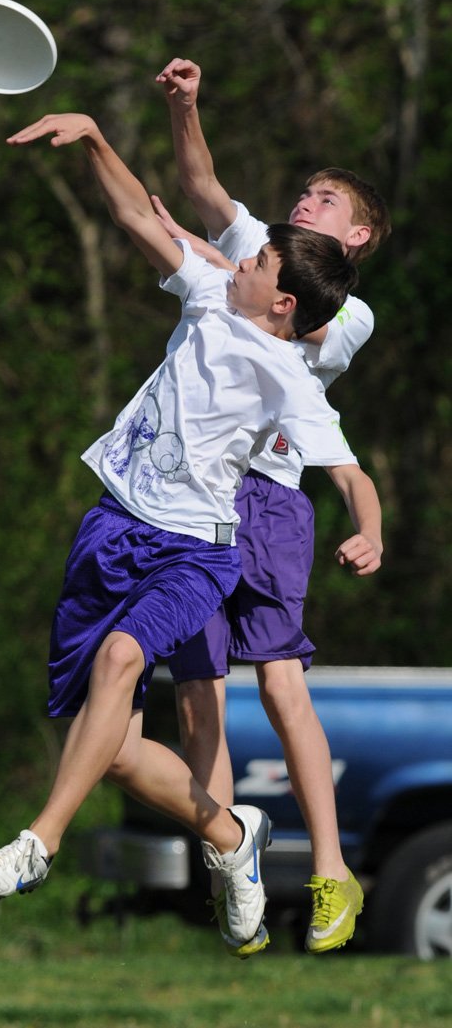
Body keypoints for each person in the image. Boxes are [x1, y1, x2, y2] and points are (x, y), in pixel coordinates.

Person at [0, 110, 368, 953]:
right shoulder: (217, 287)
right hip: (113, 526)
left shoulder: (296, 359)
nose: (244, 255)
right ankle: (230, 836)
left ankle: (40, 841)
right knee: (110, 746)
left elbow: (347, 463)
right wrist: (97, 137)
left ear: (284, 292)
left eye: (257, 259)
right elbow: (145, 213)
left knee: (180, 666)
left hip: (200, 545)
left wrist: (370, 526)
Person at [152, 57, 390, 955]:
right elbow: (201, 180)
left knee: (281, 681)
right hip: (193, 490)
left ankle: (332, 864)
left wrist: (197, 258)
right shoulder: (252, 237)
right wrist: (186, 108)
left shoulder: (346, 310)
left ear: (358, 236)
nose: (307, 201)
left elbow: (295, 315)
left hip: (272, 500)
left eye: (328, 201)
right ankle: (232, 864)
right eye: (306, 191)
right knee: (194, 695)